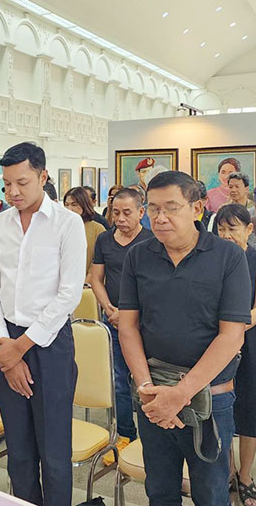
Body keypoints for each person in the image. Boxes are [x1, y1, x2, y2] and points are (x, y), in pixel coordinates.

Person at [118, 171, 251, 506]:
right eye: (153, 208)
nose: (160, 217)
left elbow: (232, 336)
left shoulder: (228, 256)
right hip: (152, 394)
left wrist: (180, 394)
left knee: (211, 493)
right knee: (159, 490)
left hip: (210, 397)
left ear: (197, 208)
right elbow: (128, 327)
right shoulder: (139, 255)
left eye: (171, 208)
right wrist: (147, 388)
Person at [0, 142, 85, 506]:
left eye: (22, 182)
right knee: (19, 449)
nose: (13, 192)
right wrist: (3, 345)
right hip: (6, 339)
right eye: (7, 183)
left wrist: (20, 348)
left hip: (49, 343)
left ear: (43, 177)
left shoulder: (68, 224)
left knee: (53, 450)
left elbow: (69, 294)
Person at [214, 204, 256, 506]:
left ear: (249, 230)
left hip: (248, 342)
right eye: (221, 229)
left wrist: (231, 328)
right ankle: (228, 470)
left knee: (248, 408)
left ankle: (246, 475)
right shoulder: (211, 259)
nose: (226, 235)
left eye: (232, 228)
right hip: (217, 344)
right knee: (221, 406)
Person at [90, 187, 153, 464]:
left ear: (141, 212)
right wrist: (109, 309)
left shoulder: (151, 241)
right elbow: (96, 279)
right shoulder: (105, 239)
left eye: (127, 213)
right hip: (113, 320)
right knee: (118, 380)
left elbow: (155, 285)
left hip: (144, 323)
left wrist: (128, 314)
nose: (120, 218)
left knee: (145, 381)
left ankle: (152, 437)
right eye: (116, 213)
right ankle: (126, 433)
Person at [63, 186, 106, 284]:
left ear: (84, 205)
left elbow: (97, 262)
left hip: (88, 285)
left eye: (74, 204)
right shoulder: (60, 227)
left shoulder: (97, 229)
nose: (69, 209)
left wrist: (85, 284)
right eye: (66, 204)